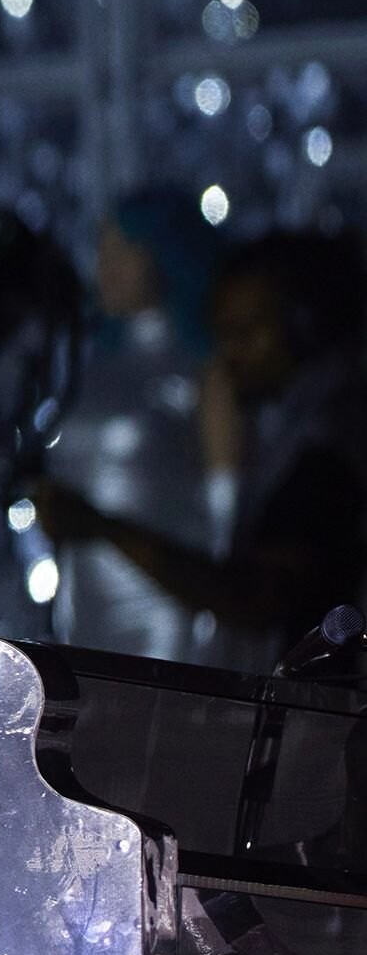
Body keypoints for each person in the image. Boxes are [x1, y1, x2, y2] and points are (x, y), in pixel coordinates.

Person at [38, 229, 367, 674]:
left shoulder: (330, 444)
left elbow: (255, 596)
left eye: (245, 332)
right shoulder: (291, 429)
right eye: (222, 335)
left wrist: (104, 528)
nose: (229, 354)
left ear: (305, 326)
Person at [47, 189, 225, 660]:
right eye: (103, 249)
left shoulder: (201, 370)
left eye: (126, 249)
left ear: (167, 253)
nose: (108, 266)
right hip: (82, 595)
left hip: (166, 606)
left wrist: (216, 627)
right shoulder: (82, 366)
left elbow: (225, 511)